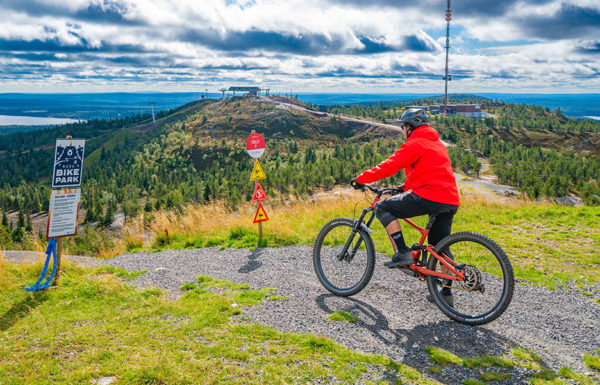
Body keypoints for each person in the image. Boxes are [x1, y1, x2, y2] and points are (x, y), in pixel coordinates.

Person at [351, 108, 460, 273]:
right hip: (450, 199)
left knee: (382, 207)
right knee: (440, 246)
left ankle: (402, 252)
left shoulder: (415, 144)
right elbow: (428, 172)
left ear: (409, 127)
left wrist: (360, 179)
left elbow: (389, 166)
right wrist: (404, 187)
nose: (403, 130)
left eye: (403, 127)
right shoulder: (437, 144)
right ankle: (445, 294)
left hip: (429, 196)